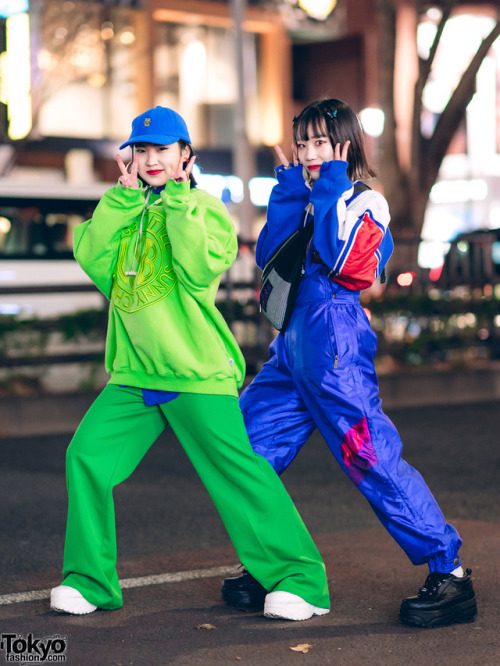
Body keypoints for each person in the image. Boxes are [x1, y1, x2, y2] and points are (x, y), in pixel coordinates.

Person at [49, 105, 331, 621]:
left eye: (163, 150)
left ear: (186, 156)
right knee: (85, 457)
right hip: (134, 375)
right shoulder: (124, 208)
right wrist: (123, 199)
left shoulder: (204, 208)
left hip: (195, 372)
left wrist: (176, 199)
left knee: (237, 475)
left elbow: (199, 268)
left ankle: (301, 580)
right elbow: (93, 260)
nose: (151, 159)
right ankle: (90, 581)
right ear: (129, 156)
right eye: (142, 149)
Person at [221, 98, 477, 628]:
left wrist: (331, 181)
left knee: (371, 458)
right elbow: (270, 260)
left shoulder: (367, 201)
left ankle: (448, 572)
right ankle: (274, 562)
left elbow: (346, 264)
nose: (309, 152)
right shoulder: (308, 194)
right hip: (290, 347)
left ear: (345, 145)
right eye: (303, 142)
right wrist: (291, 191)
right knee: (241, 448)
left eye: (321, 142)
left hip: (334, 344)